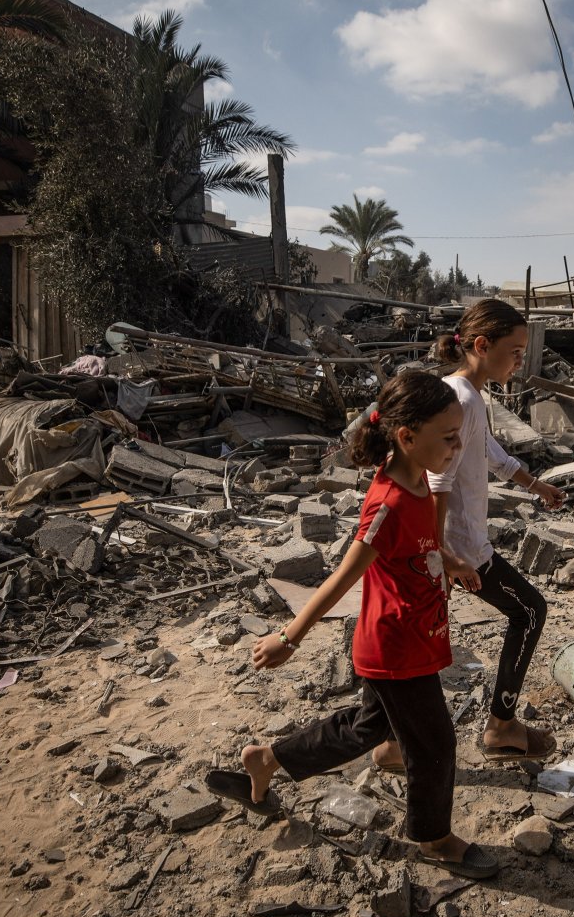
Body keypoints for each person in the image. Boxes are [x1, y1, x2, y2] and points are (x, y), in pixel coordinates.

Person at [205, 370, 500, 879]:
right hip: (394, 646)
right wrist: (287, 637)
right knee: (436, 745)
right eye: (450, 438)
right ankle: (434, 838)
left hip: (415, 635)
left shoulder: (419, 481)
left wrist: (450, 563)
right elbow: (343, 577)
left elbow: (422, 543)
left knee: (369, 726)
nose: (458, 447)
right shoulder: (386, 504)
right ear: (407, 437)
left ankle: (267, 760)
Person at [372, 299, 566, 770]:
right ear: (481, 345)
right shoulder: (459, 397)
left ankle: (389, 742)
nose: (521, 360)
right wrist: (440, 557)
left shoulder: (468, 395)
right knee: (529, 610)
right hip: (457, 547)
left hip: (453, 545)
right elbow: (435, 484)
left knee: (412, 637)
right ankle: (500, 726)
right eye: (514, 351)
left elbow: (491, 452)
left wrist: (534, 484)